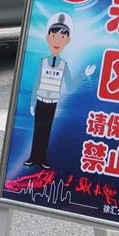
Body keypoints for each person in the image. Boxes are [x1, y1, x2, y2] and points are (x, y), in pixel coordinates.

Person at [23, 13, 95, 171]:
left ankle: (41, 159)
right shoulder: (43, 62)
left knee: (46, 130)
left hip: (52, 103)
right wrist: (32, 103)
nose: (57, 40)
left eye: (62, 37)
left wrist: (84, 75)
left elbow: (69, 85)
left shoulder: (63, 64)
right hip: (41, 100)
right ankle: (32, 157)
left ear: (67, 41)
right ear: (48, 37)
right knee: (37, 129)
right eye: (54, 35)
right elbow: (37, 83)